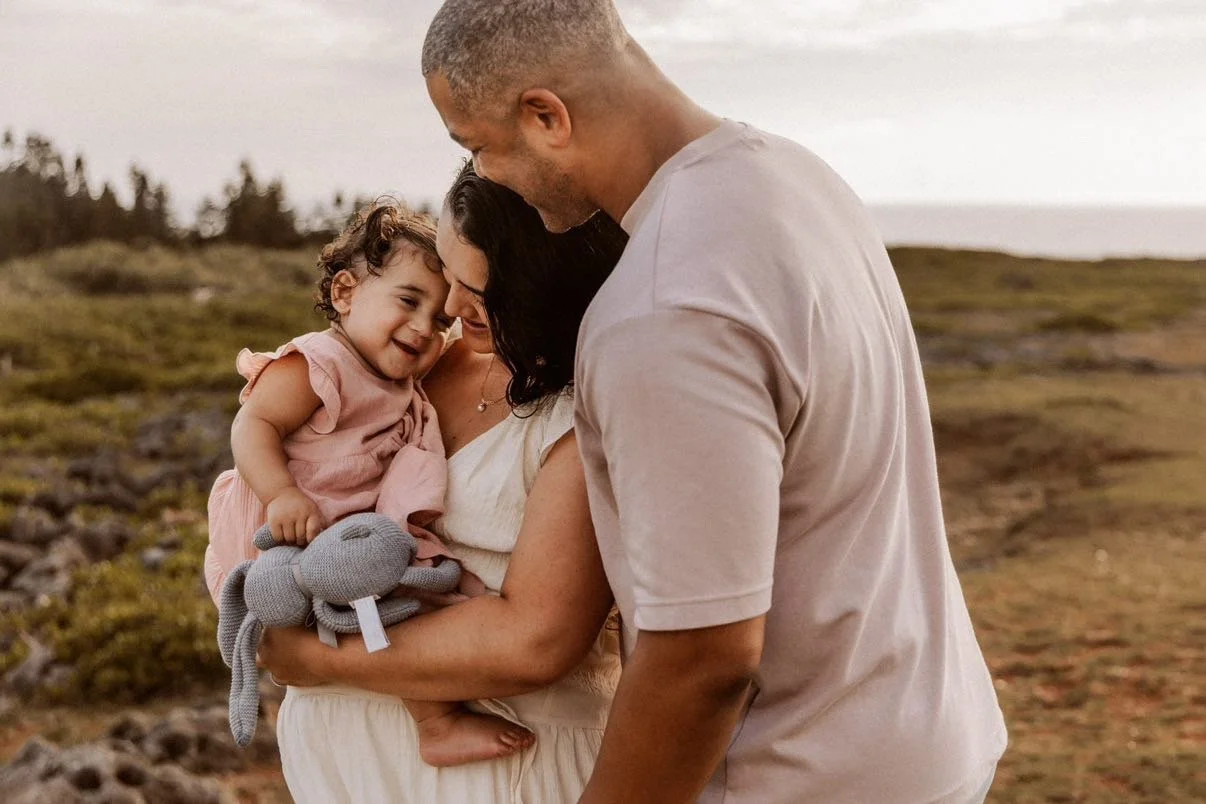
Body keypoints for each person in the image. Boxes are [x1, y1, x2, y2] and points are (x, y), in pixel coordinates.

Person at [420, 2, 1009, 803]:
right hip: (926, 738)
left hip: (806, 779)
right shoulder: (795, 176)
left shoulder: (664, 308)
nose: (484, 176)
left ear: (546, 116)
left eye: (477, 146)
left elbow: (701, 661)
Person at [247, 162, 630, 802]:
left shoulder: (586, 410)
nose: (448, 310)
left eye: (475, 289)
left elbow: (537, 641)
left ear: (541, 280)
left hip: (501, 774)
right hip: (341, 768)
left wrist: (310, 656)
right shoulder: (409, 367)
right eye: (447, 279)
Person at [203, 201, 536, 768]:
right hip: (285, 534)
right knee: (389, 611)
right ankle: (432, 719)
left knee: (409, 609)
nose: (423, 328)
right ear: (345, 293)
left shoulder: (401, 385)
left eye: (440, 321)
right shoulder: (320, 362)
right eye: (407, 301)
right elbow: (253, 424)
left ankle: (431, 723)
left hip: (338, 542)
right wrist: (282, 492)